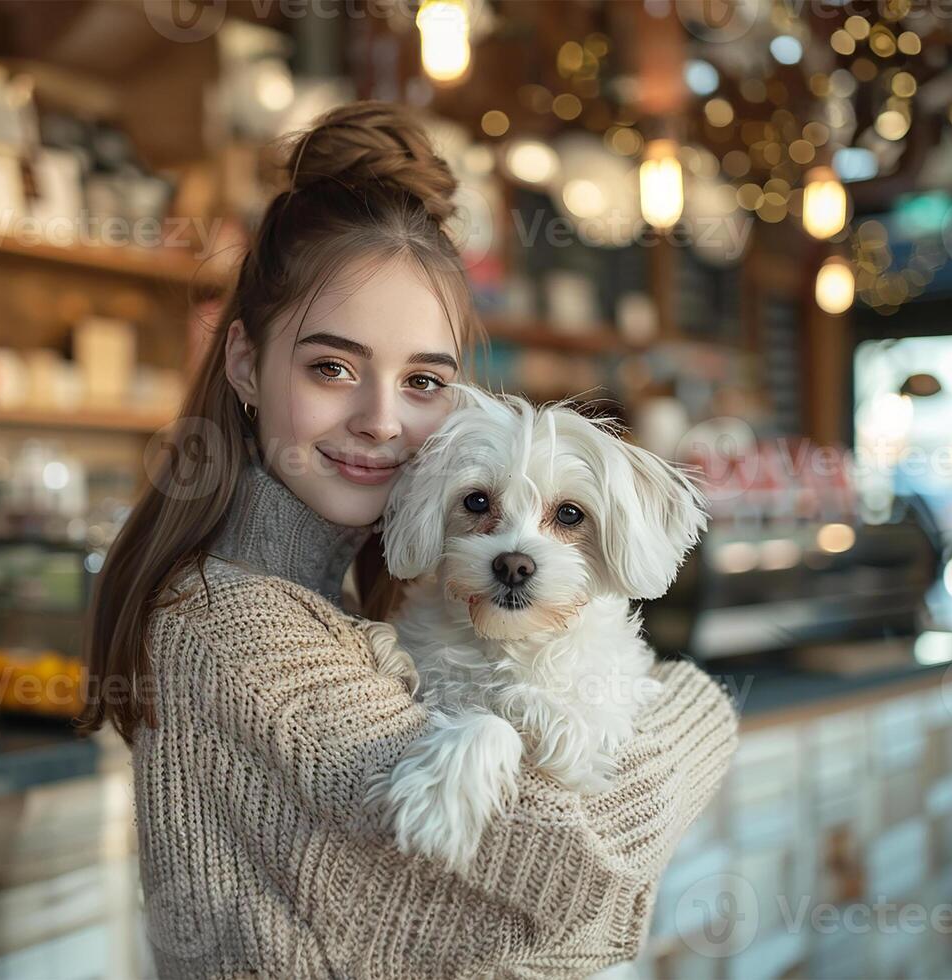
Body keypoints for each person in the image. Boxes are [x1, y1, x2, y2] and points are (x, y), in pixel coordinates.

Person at [82, 100, 738, 979]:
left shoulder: (344, 606)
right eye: (332, 367)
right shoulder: (228, 623)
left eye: (423, 379)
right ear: (243, 363)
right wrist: (699, 710)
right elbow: (586, 867)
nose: (381, 420)